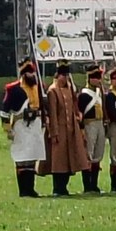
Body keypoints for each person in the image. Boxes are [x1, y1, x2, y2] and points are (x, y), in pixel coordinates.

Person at [43, 60, 93, 196]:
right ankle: (57, 187)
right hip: (59, 129)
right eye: (63, 76)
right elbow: (53, 113)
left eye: (66, 76)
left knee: (70, 159)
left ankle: (64, 186)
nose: (65, 79)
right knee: (58, 161)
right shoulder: (53, 91)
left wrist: (77, 116)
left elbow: (73, 107)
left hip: (71, 129)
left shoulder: (70, 90)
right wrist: (54, 132)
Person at [0, 59, 45, 197]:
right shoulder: (13, 89)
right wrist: (7, 127)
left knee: (32, 157)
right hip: (20, 125)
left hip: (35, 125)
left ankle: (30, 188)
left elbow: (43, 106)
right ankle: (23, 190)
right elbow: (4, 110)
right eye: (29, 73)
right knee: (21, 158)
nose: (32, 75)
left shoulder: (39, 87)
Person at [77, 65, 107, 194]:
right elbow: (80, 114)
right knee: (88, 154)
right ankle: (87, 185)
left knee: (98, 155)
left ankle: (94, 184)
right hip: (89, 124)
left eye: (99, 78)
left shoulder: (100, 93)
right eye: (95, 78)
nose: (98, 80)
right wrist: (82, 129)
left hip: (100, 123)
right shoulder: (84, 95)